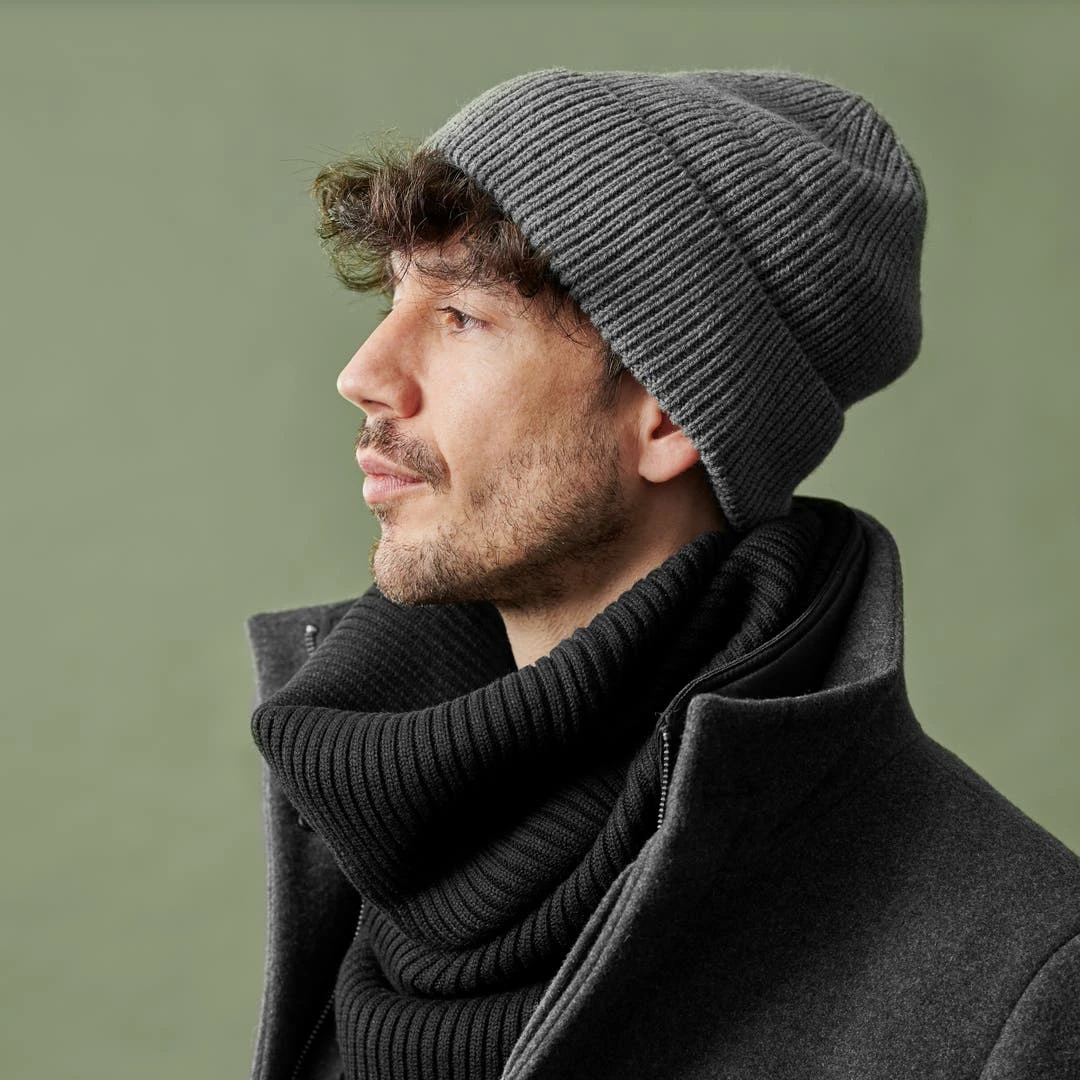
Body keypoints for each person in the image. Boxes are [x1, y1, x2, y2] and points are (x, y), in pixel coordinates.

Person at [245, 68, 1080, 1080]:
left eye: (462, 314)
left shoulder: (1020, 970)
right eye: (394, 296)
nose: (363, 374)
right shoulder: (368, 802)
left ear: (671, 413)